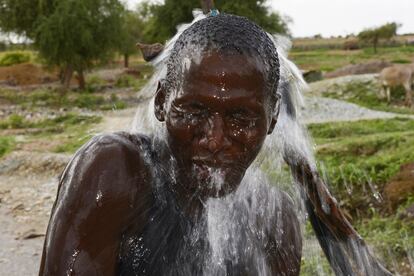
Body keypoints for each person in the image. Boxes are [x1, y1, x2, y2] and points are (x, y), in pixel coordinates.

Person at [39, 13, 390, 276]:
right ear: (161, 103)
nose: (215, 140)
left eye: (241, 119)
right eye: (193, 110)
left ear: (271, 120)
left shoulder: (275, 221)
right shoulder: (115, 174)